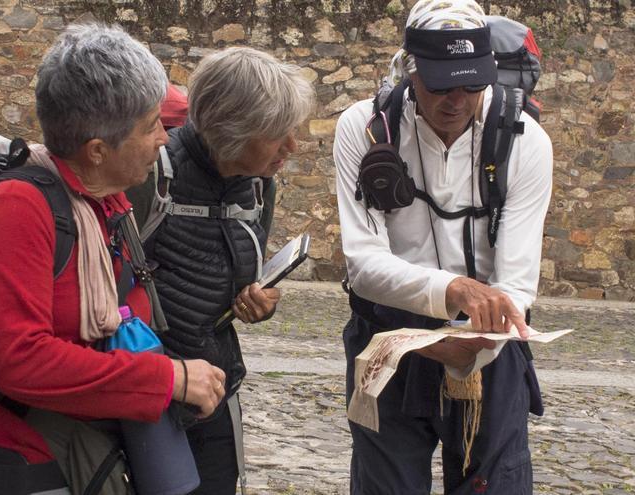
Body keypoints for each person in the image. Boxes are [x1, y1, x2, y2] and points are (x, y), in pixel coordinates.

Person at [0, 23, 226, 494]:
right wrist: (166, 378)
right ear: (97, 150)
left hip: (79, 443)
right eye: (151, 125)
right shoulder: (16, 211)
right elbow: (21, 362)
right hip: (13, 459)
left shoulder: (106, 202)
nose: (164, 138)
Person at [333, 0, 553, 493]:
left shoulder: (526, 141)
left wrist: (473, 342)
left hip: (488, 348)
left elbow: (516, 283)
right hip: (387, 341)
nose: (457, 99)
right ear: (411, 72)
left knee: (495, 485)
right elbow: (364, 265)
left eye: (474, 83)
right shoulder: (364, 129)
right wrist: (454, 291)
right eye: (440, 84)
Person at [126, 47, 314, 494]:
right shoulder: (150, 177)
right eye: (277, 134)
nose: (292, 146)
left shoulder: (257, 185)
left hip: (216, 385)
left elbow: (244, 279)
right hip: (147, 391)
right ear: (232, 130)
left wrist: (258, 302)